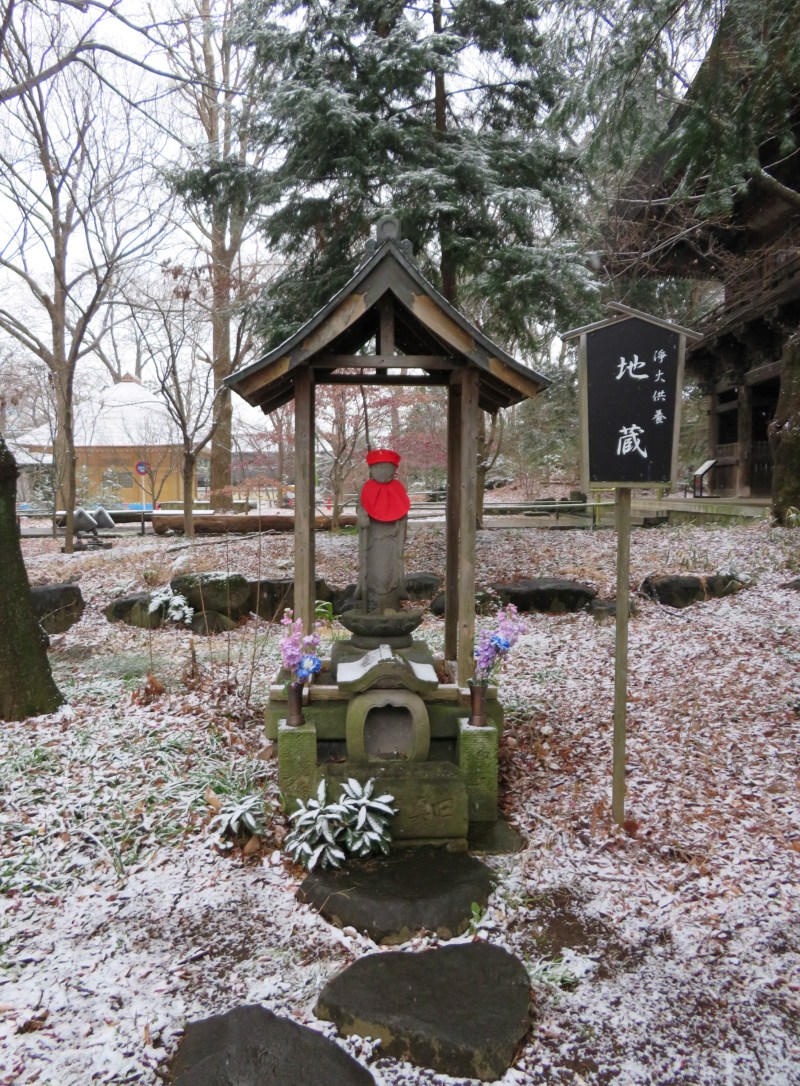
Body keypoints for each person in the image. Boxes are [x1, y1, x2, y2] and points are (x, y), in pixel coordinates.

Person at [356, 448, 411, 613]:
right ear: (371, 470)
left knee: (391, 569)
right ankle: (372, 603)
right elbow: (361, 507)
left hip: (392, 539)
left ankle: (391, 603)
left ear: (394, 471)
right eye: (378, 468)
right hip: (373, 540)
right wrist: (362, 517)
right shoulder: (365, 488)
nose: (383, 472)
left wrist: (399, 527)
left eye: (387, 469)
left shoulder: (398, 488)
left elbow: (402, 512)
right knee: (374, 570)